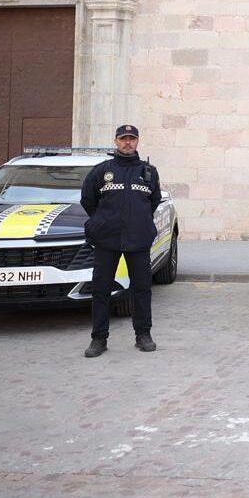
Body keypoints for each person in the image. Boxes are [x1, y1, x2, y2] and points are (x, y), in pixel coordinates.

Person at [79, 125, 162, 358]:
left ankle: (143, 335)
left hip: (138, 240)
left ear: (137, 142)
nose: (128, 143)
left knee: (142, 290)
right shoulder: (101, 171)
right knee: (101, 290)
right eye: (123, 139)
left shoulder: (149, 172)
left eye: (132, 139)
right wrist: (103, 222)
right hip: (108, 240)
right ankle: (99, 339)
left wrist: (139, 221)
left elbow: (153, 202)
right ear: (115, 141)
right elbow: (88, 200)